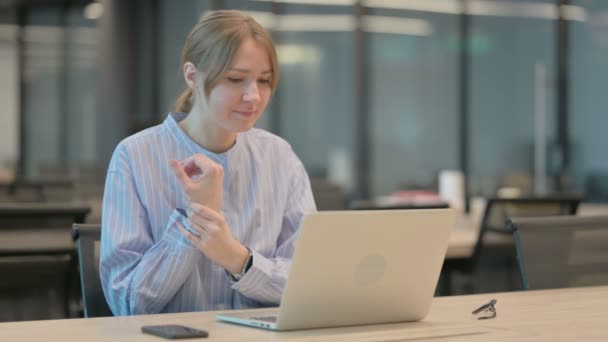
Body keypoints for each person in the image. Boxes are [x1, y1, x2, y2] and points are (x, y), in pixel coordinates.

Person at [100, 10, 316, 315]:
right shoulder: (135, 156)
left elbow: (310, 283)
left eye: (264, 81)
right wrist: (195, 220)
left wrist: (237, 259)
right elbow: (129, 303)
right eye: (235, 79)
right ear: (192, 75)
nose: (253, 96)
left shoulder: (280, 157)